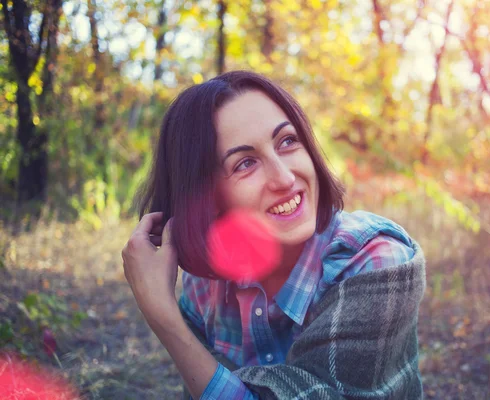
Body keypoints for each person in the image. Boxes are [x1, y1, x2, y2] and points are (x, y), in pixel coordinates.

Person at [122, 71, 426, 400]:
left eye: (287, 141)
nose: (284, 178)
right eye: (245, 163)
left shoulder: (376, 261)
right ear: (206, 197)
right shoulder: (204, 289)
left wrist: (164, 317)